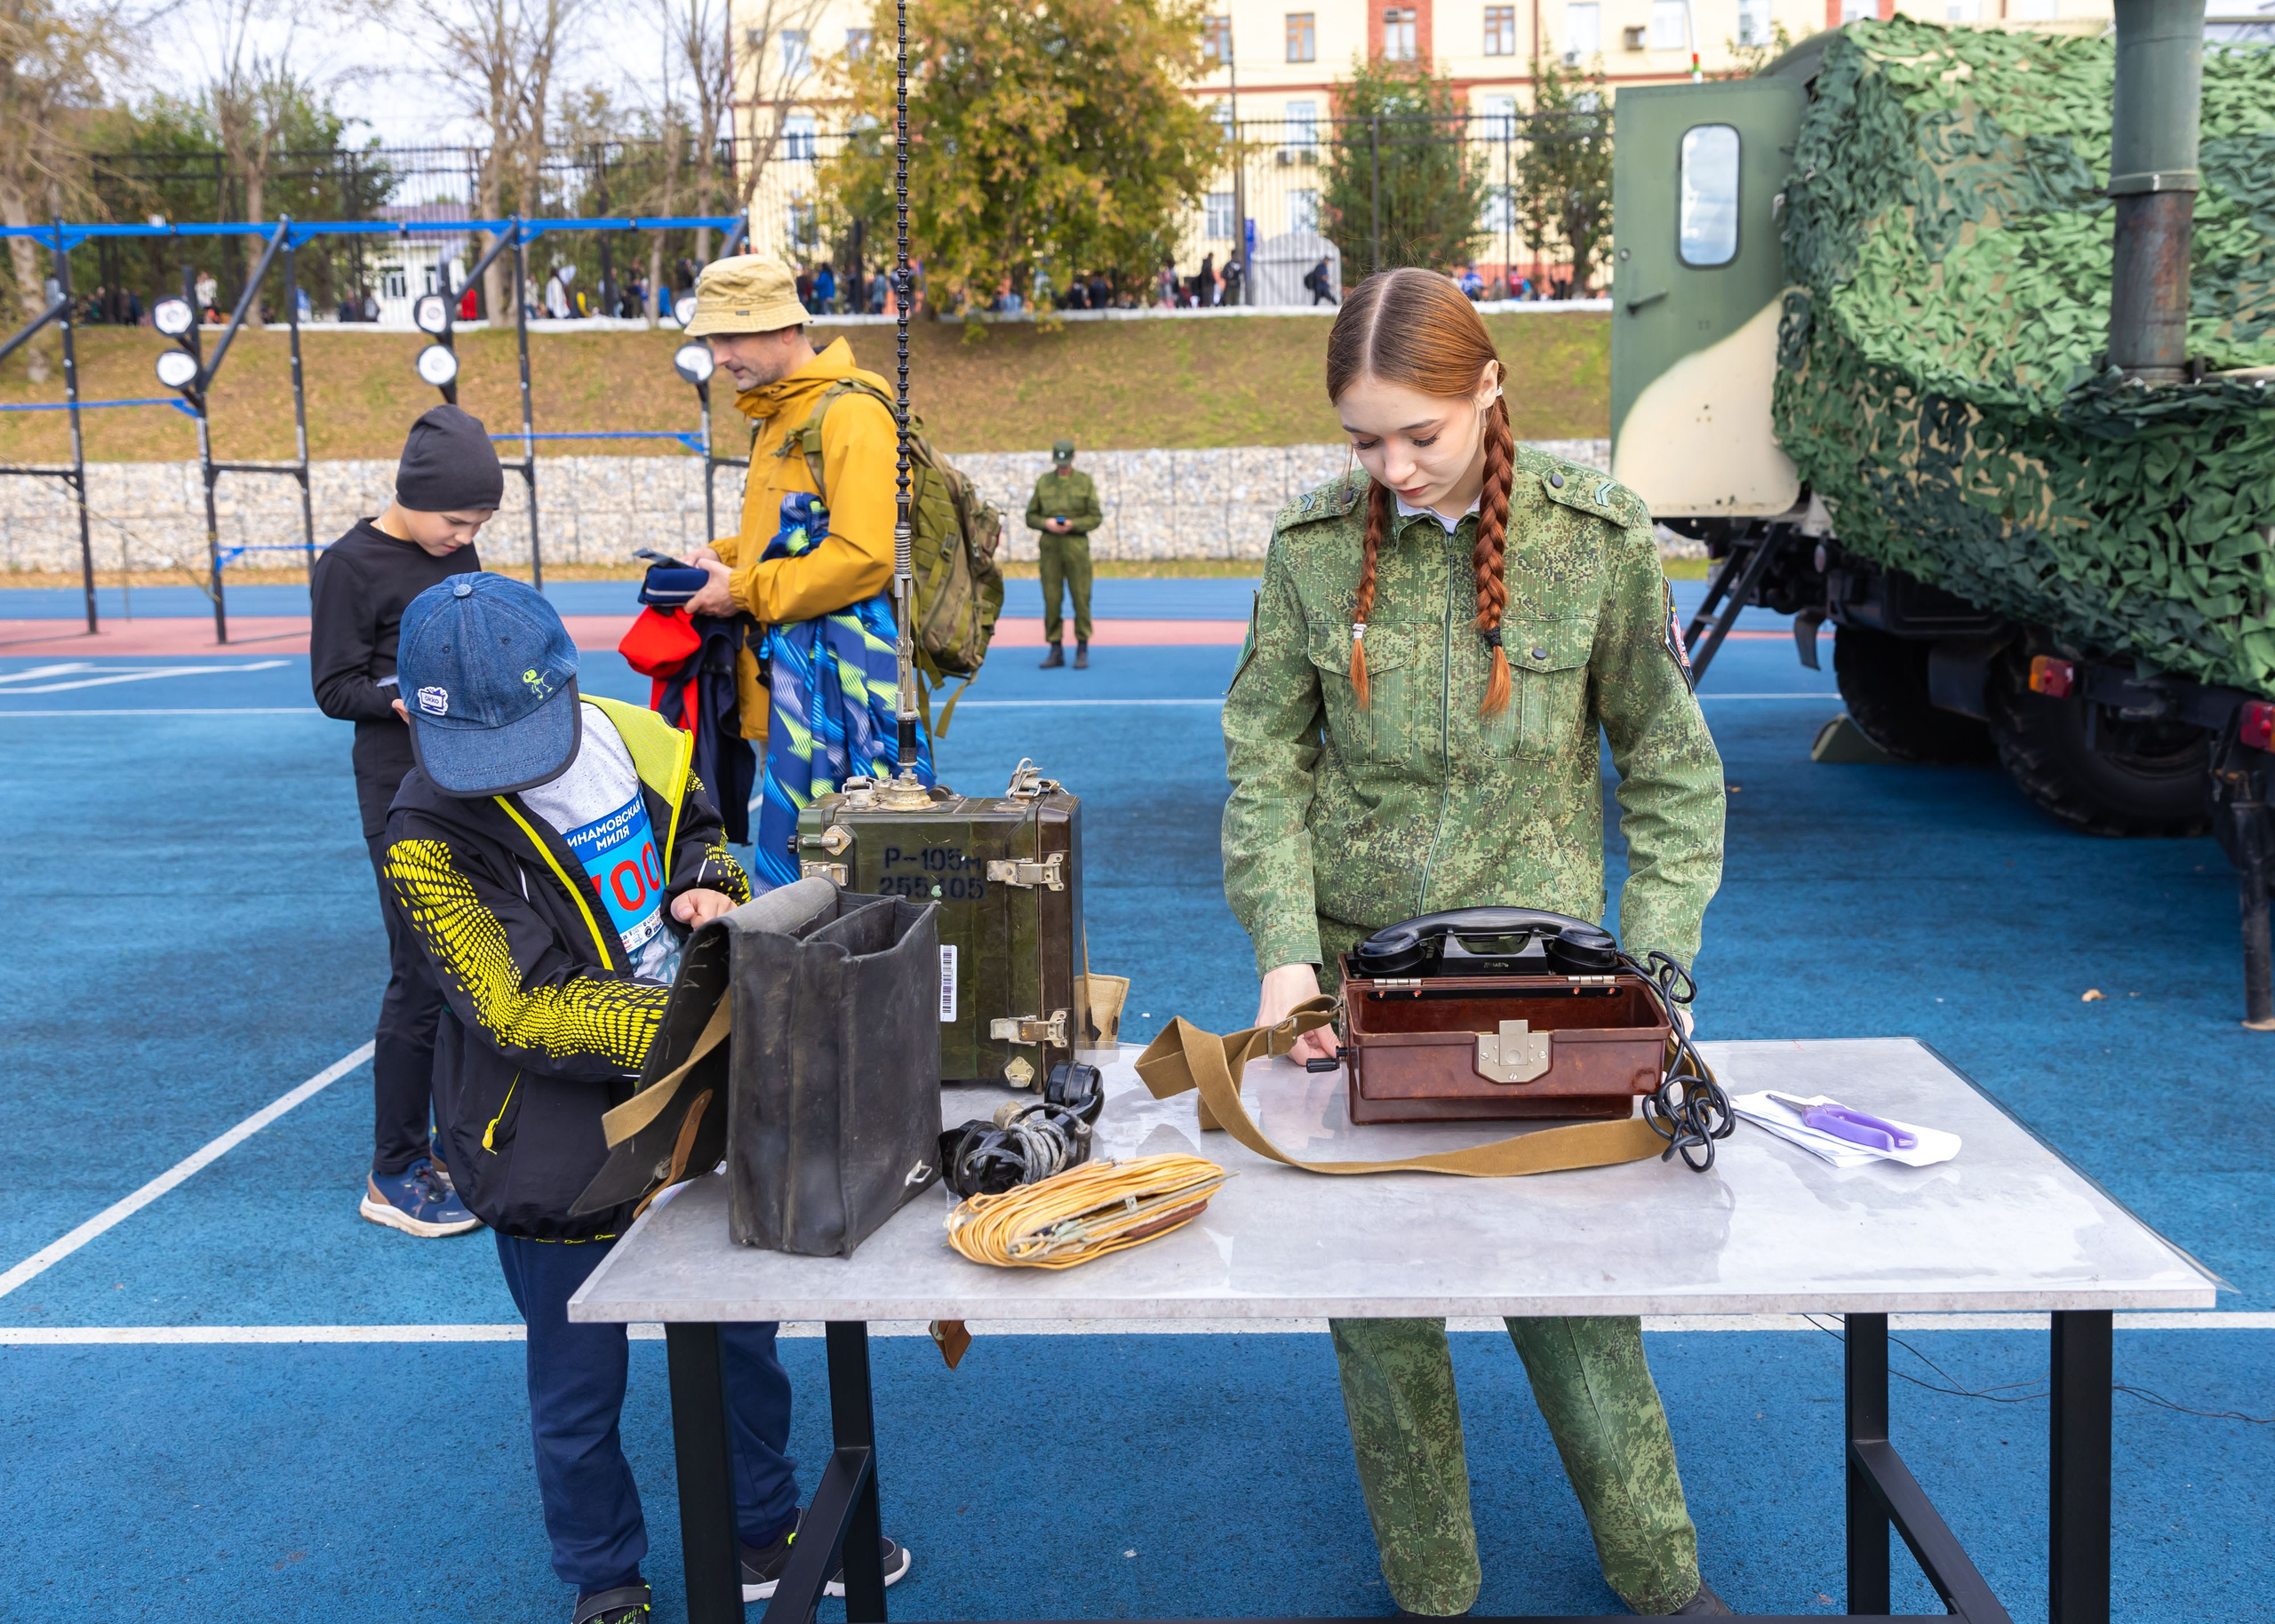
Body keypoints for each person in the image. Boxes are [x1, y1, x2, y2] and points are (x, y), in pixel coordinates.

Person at [1221, 268, 1730, 1619]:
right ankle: (1434, 1593)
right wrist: (1284, 954)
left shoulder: (1597, 539)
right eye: (1360, 440)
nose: (1389, 468)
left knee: (1579, 1301)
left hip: (1543, 1006)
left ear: (1488, 387)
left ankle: (1663, 1580)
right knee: (1380, 1316)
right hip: (1356, 1000)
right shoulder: (1312, 552)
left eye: (1419, 436)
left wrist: (1657, 972)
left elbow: (1674, 773)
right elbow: (1265, 763)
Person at [380, 574, 913, 1624]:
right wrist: (710, 1013)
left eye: (527, 741)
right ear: (411, 715)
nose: (505, 775)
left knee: (741, 1338)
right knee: (577, 1393)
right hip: (553, 1147)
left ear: (570, 683)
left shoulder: (639, 734)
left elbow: (702, 825)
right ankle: (604, 1580)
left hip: (700, 1106)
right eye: (476, 756)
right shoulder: (422, 836)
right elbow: (519, 1007)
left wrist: (711, 881)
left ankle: (764, 1528)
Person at [310, 403, 501, 1238]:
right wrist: (409, 699)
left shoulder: (455, 549)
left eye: (481, 523)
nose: (464, 536)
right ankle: (393, 1168)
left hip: (475, 788)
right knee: (420, 980)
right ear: (412, 495)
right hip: (400, 799)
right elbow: (334, 688)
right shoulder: (350, 566)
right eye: (455, 518)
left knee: (482, 974)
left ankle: (462, 1145)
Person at [675, 257, 913, 772]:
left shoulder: (850, 413)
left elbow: (865, 557)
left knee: (844, 847)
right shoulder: (777, 410)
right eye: (713, 341)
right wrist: (720, 556)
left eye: (730, 338)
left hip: (847, 696)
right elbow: (789, 534)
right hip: (792, 685)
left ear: (785, 327)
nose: (719, 358)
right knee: (804, 847)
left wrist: (738, 588)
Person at [1026, 439, 1101, 669]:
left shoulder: (1084, 482)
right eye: (1059, 463)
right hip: (1050, 550)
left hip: (1076, 548)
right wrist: (1046, 523)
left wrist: (1074, 524)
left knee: (1081, 598)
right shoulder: (1044, 482)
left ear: (1073, 458)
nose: (1062, 467)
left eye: (1065, 463)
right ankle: (1055, 649)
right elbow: (1030, 516)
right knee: (1052, 600)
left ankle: (1082, 648)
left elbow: (1095, 517)